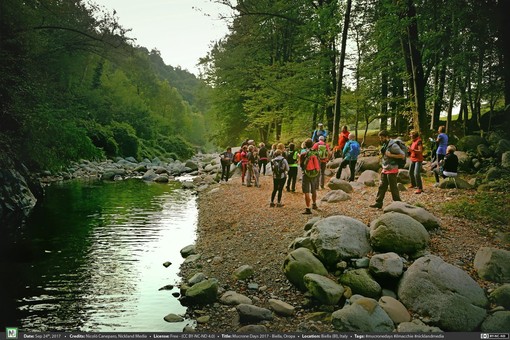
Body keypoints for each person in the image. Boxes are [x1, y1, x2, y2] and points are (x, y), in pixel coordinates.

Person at [369, 130, 405, 209]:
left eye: (382, 138)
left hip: (392, 168)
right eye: (380, 138)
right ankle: (378, 202)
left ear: (386, 137)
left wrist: (390, 155)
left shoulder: (393, 145)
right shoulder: (385, 144)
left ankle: (398, 203)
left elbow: (402, 155)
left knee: (393, 187)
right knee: (382, 186)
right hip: (385, 168)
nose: (380, 139)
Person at [300, 138, 321, 214]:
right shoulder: (316, 153)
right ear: (312, 144)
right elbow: (319, 163)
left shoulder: (303, 154)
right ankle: (314, 204)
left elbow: (301, 165)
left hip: (306, 174)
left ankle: (308, 208)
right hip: (315, 173)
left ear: (305, 145)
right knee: (314, 189)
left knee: (306, 191)